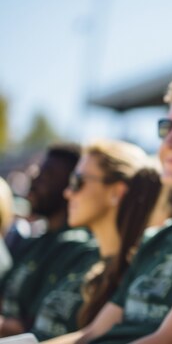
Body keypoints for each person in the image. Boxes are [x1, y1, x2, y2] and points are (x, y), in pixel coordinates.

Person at [45, 72, 172, 344]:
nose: (169, 143)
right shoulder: (158, 237)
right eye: (166, 129)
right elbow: (90, 334)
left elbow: (170, 340)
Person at [28, 139, 162, 340]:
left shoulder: (135, 274)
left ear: (116, 193)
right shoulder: (85, 260)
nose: (68, 192)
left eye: (77, 182)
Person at [0, 144, 96, 337]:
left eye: (47, 175)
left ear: (69, 185)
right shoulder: (32, 243)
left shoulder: (76, 249)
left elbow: (30, 326)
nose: (34, 181)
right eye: (36, 173)